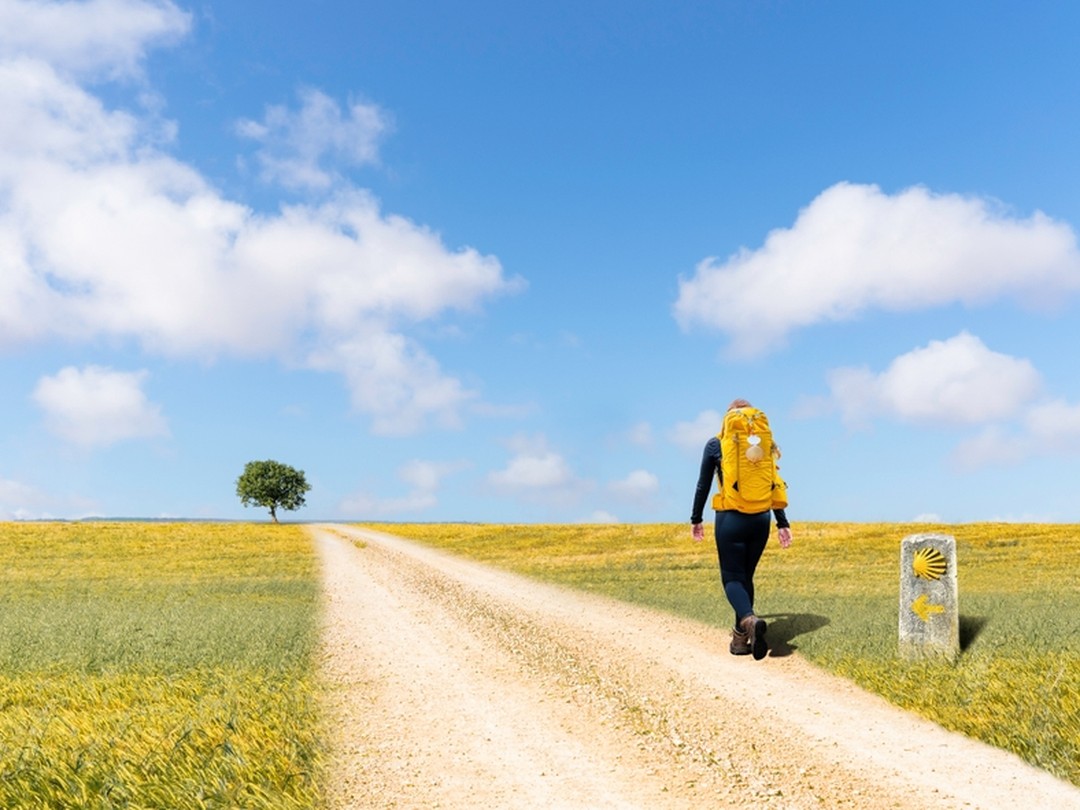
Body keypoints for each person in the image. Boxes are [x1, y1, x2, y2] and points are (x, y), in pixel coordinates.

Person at [691, 398, 792, 660]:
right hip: (761, 518)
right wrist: (782, 522)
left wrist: (696, 518)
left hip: (731, 518)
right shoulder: (764, 443)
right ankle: (740, 638)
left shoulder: (716, 444)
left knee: (732, 579)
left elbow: (703, 484)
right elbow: (773, 481)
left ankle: (748, 620)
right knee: (746, 577)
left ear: (728, 419)